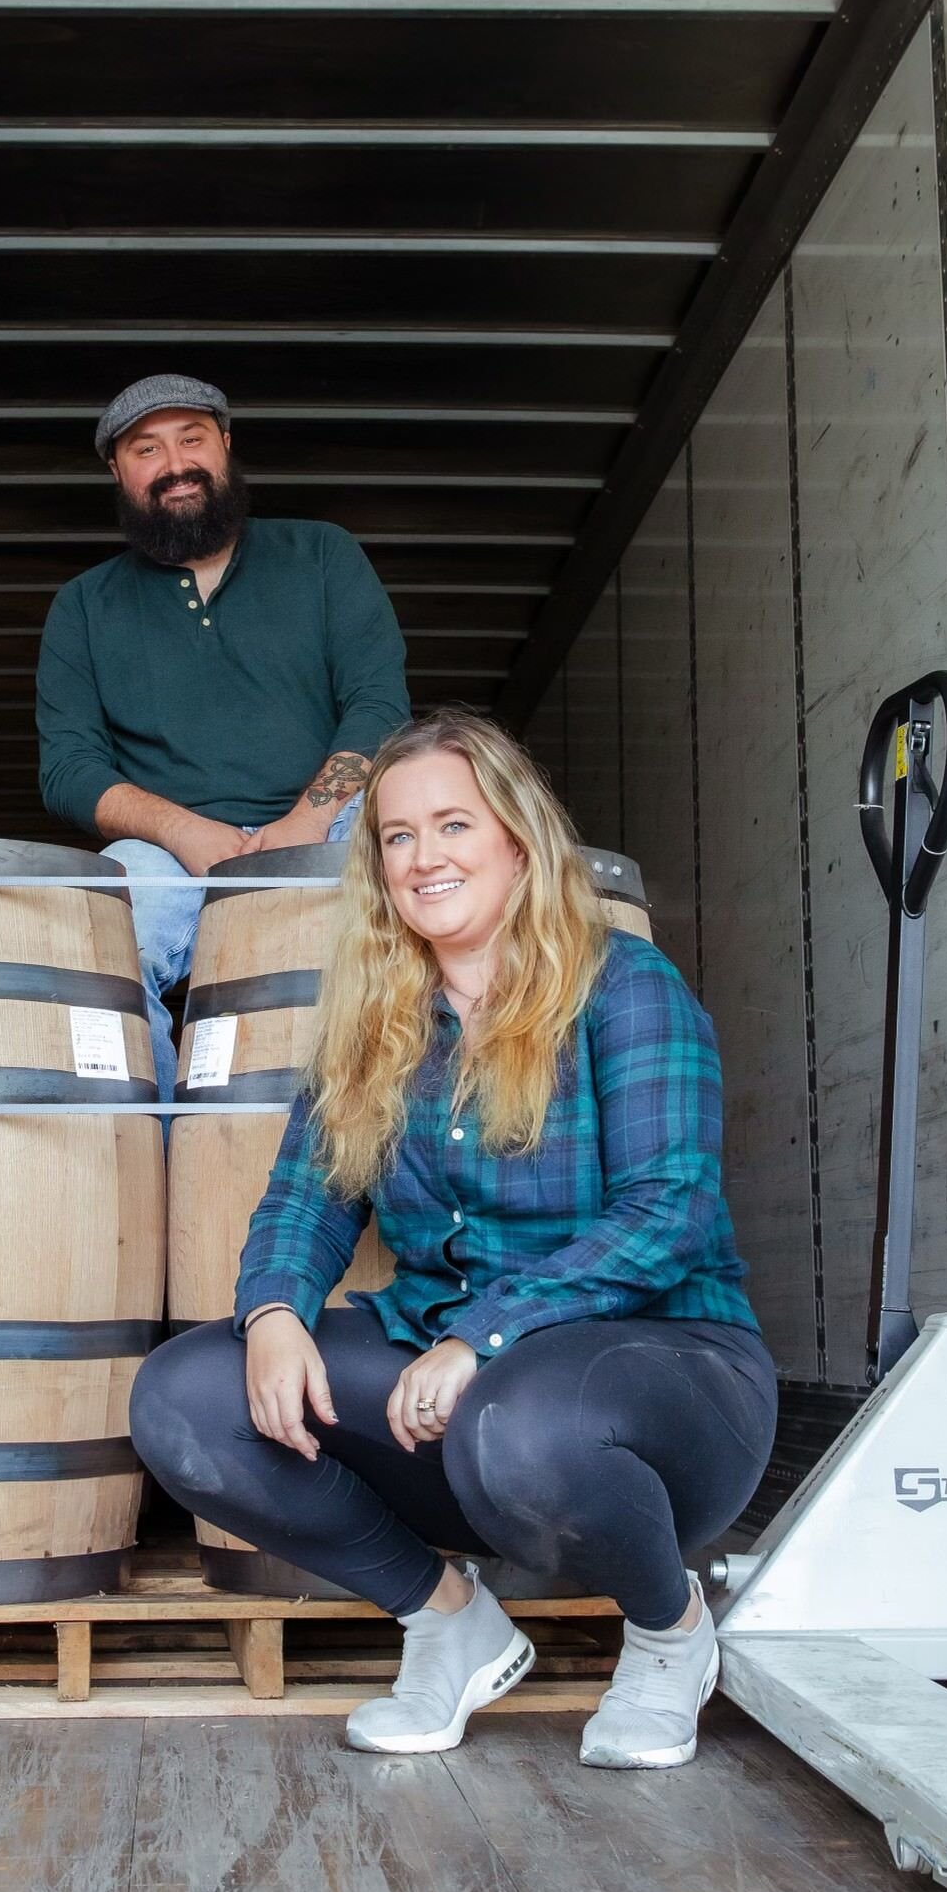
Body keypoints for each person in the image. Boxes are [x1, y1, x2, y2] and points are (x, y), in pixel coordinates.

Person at [130, 708, 776, 1764]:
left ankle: (669, 1634)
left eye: (452, 826)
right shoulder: (376, 1017)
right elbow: (307, 1197)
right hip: (457, 1390)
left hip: (663, 1387)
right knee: (184, 1397)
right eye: (396, 836)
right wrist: (275, 1312)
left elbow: (670, 1214)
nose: (422, 857)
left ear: (517, 839)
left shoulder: (620, 985)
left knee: (518, 1417)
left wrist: (481, 1334)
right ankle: (447, 1618)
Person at [35, 373, 411, 1097]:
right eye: (146, 448)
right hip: (172, 847)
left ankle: (401, 1136)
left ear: (227, 447)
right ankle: (168, 1150)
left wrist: (306, 819)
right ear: (117, 470)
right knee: (99, 932)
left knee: (413, 887)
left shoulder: (322, 554)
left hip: (333, 816)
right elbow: (69, 768)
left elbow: (378, 706)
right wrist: (182, 831)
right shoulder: (82, 606)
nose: (174, 462)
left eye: (192, 438)